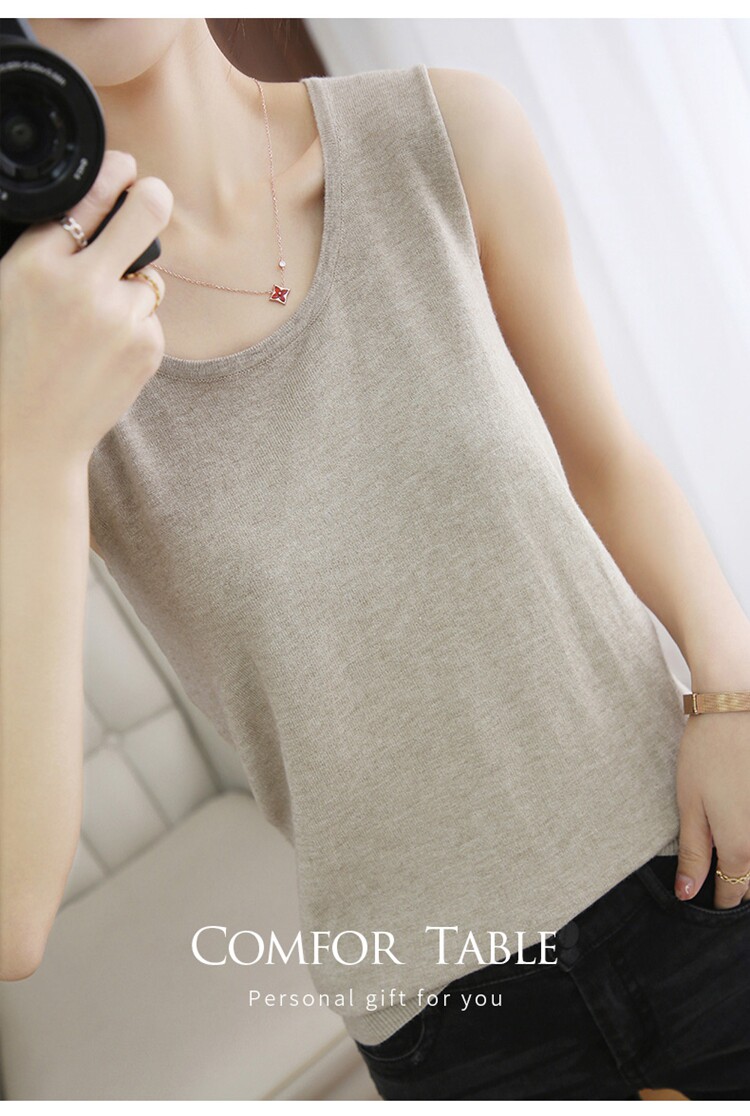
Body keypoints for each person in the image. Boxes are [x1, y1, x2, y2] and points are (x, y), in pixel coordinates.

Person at [2, 18, 750, 1102]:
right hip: (449, 1017)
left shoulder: (446, 134)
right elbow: (15, 914)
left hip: (694, 857)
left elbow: (608, 460)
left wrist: (731, 696)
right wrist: (29, 439)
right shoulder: (43, 350)